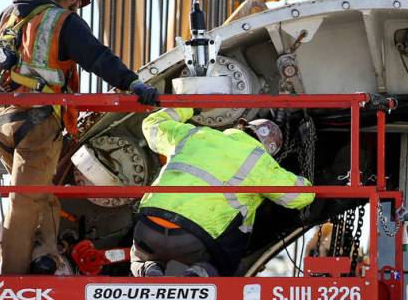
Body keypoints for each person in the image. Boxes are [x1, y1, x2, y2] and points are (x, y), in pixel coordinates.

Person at [0, 0, 159, 274]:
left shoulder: (8, 15)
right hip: (37, 122)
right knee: (24, 203)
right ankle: (12, 285)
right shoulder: (62, 20)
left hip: (1, 121)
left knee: (43, 195)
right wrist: (133, 84)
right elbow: (97, 57)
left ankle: (48, 258)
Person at [131, 108, 314, 277]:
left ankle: (147, 268)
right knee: (229, 260)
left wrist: (191, 107)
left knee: (139, 256)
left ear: (241, 127)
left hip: (148, 227)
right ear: (270, 150)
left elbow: (152, 123)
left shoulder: (196, 134)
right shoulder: (260, 162)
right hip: (193, 239)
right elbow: (299, 196)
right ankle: (200, 273)